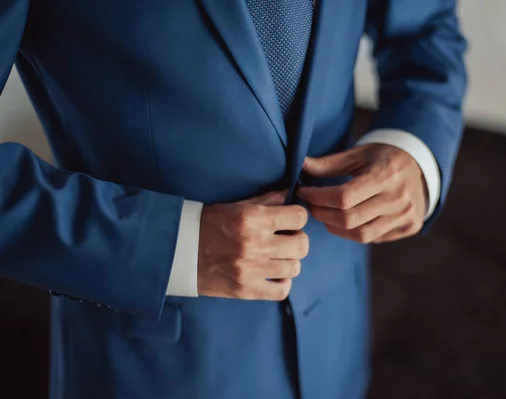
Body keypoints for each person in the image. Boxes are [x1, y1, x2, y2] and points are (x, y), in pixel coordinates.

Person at [0, 0, 467, 398]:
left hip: (334, 323)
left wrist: (415, 149)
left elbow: (425, 27)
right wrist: (174, 245)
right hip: (155, 360)